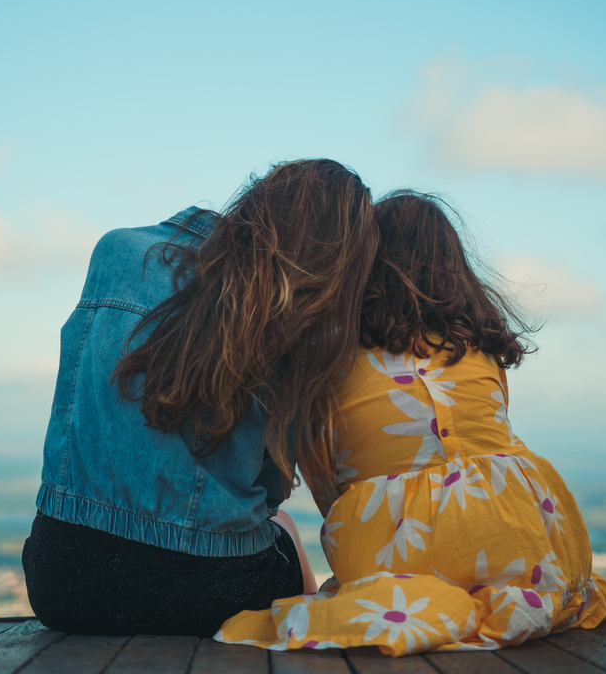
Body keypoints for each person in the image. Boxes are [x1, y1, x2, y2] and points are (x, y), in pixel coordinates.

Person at [216, 192, 606, 655]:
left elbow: (331, 490)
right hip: (533, 535)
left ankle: (422, 598)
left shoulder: (334, 364)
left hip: (409, 543)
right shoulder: (483, 349)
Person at [22, 159, 378, 636]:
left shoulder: (116, 252)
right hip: (210, 590)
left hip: (62, 580)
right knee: (286, 530)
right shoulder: (293, 318)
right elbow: (270, 494)